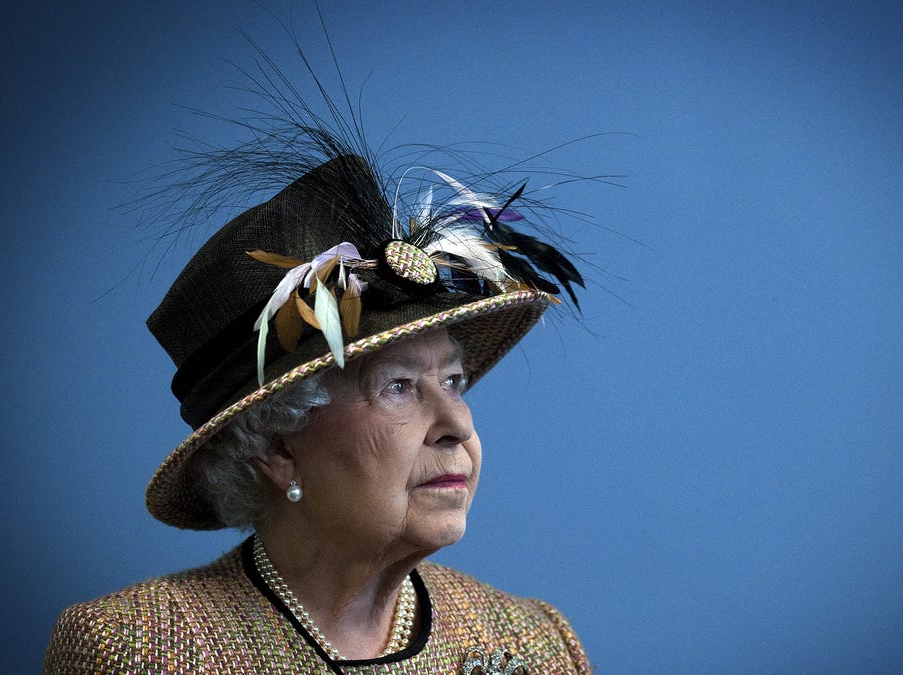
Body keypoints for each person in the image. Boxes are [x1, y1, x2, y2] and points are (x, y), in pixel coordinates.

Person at [42, 107, 592, 671]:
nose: (459, 426)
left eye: (453, 381)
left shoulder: (538, 644)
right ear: (277, 448)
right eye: (398, 387)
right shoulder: (136, 650)